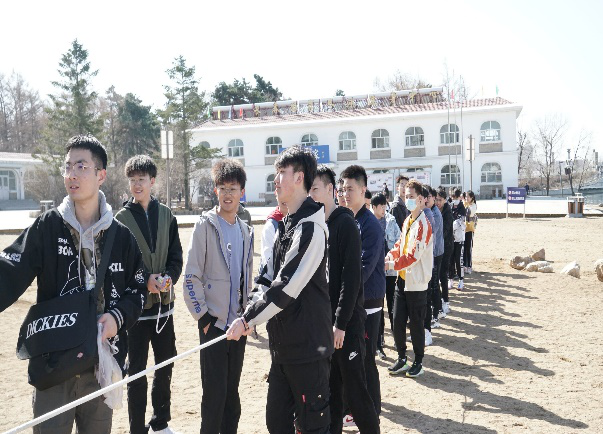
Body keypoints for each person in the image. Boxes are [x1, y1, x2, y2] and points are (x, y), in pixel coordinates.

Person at [0, 134, 146, 433]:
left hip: (101, 365)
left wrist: (117, 318)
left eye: (81, 166)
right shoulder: (47, 227)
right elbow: (9, 270)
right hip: (54, 366)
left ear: (101, 175)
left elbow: (138, 288)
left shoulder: (121, 237)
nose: (72, 174)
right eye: (67, 167)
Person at [227, 146, 332, 434]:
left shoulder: (311, 228)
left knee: (312, 427)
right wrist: (249, 313)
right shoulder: (286, 226)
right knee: (277, 423)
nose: (275, 180)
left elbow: (286, 287)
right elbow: (266, 277)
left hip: (309, 350)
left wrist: (248, 320)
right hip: (283, 348)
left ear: (299, 178)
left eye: (281, 173)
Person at [183, 159, 254, 434]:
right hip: (213, 324)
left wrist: (248, 317)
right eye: (222, 188)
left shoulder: (246, 231)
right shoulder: (205, 226)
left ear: (242, 192)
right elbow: (191, 276)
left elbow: (247, 279)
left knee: (232, 396)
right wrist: (203, 318)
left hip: (238, 325)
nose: (227, 194)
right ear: (215, 191)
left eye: (233, 188)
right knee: (214, 396)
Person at [115, 155, 183, 434]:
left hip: (164, 308)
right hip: (135, 310)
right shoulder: (120, 220)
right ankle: (136, 427)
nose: (137, 185)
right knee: (137, 371)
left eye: (141, 179)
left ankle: (160, 421)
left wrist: (169, 278)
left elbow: (176, 257)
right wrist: (146, 281)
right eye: (132, 180)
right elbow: (118, 265)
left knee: (165, 364)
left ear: (152, 181)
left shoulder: (166, 214)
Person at [310, 165, 380, 434]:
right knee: (332, 392)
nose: (310, 195)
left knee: (356, 392)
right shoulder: (319, 226)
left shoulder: (347, 224)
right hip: (326, 324)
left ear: (329, 189)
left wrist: (340, 323)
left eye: (315, 189)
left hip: (347, 325)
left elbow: (352, 280)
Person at [341, 165, 385, 416]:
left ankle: (373, 411)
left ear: (363, 190)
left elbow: (364, 268)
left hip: (368, 301)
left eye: (350, 189)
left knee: (366, 360)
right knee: (353, 359)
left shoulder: (370, 225)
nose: (345, 194)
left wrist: (344, 289)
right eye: (343, 188)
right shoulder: (350, 220)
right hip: (354, 300)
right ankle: (353, 410)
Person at [386, 179, 433, 378]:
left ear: (421, 199)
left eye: (411, 197)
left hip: (417, 283)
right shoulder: (408, 221)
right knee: (397, 321)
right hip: (402, 280)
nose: (408, 200)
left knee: (416, 325)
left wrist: (391, 265)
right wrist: (391, 255)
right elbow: (400, 244)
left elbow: (413, 256)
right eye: (406, 196)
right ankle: (402, 358)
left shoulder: (424, 225)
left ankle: (418, 362)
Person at [370, 193, 401, 360]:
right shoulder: (369, 222)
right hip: (376, 273)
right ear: (373, 207)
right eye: (380, 206)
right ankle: (379, 343)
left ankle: (397, 339)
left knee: (392, 305)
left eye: (384, 206)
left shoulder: (391, 221)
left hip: (390, 271)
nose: (383, 209)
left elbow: (399, 241)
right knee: (378, 308)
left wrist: (391, 257)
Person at [425, 187, 444, 338]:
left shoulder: (434, 214)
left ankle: (436, 314)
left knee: (434, 285)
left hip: (436, 253)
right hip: (433, 252)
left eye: (430, 197)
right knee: (433, 284)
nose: (429, 200)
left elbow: (431, 233)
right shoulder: (430, 211)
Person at [436, 189, 453, 315]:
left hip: (446, 247)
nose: (438, 202)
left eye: (440, 200)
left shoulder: (447, 212)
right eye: (436, 199)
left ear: (445, 200)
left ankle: (445, 301)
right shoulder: (436, 210)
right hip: (438, 247)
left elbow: (445, 231)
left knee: (443, 274)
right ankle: (441, 300)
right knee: (438, 275)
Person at [449, 189, 466, 290]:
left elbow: (458, 222)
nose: (454, 199)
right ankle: (451, 279)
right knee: (450, 259)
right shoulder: (450, 206)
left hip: (459, 238)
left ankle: (461, 280)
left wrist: (449, 226)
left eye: (455, 197)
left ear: (459, 197)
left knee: (458, 259)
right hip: (450, 238)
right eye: (452, 197)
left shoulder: (462, 208)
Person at [464, 191, 477, 275]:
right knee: (464, 249)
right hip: (464, 230)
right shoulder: (466, 204)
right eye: (465, 197)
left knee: (468, 248)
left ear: (472, 198)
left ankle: (469, 266)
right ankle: (464, 266)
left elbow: (468, 212)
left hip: (470, 229)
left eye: (468, 197)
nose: (466, 198)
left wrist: (464, 204)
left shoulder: (473, 206)